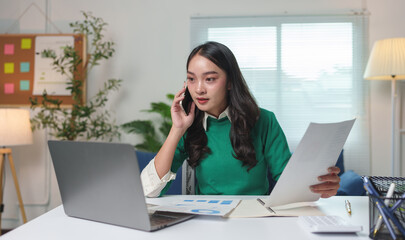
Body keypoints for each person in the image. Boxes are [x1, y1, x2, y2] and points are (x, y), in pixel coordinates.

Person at [141, 41, 340, 198]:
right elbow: (149, 190)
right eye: (192, 79)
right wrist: (177, 129)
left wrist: (321, 188)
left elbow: (289, 184)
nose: (199, 88)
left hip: (255, 221)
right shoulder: (189, 125)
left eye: (209, 79)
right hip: (206, 222)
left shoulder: (264, 121)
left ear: (229, 82)